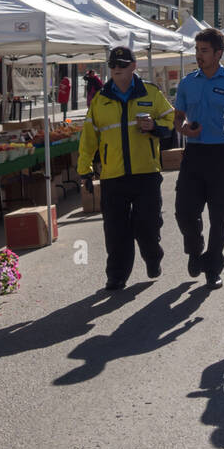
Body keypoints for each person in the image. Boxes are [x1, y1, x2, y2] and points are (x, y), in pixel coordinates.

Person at [77, 47, 176, 291]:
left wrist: (155, 126)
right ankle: (117, 276)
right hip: (113, 176)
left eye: (122, 63)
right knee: (115, 230)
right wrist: (85, 170)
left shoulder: (151, 93)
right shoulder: (101, 99)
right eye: (113, 64)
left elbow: (171, 121)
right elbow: (89, 138)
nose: (117, 68)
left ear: (133, 66)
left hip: (146, 173)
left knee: (148, 225)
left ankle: (153, 258)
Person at [173, 27, 224, 288]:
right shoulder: (187, 82)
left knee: (219, 217)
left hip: (222, 155)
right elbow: (178, 118)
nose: (198, 55)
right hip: (194, 154)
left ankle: (213, 267)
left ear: (218, 53)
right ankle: (196, 250)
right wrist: (184, 128)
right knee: (184, 211)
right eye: (196, 50)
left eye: (204, 51)